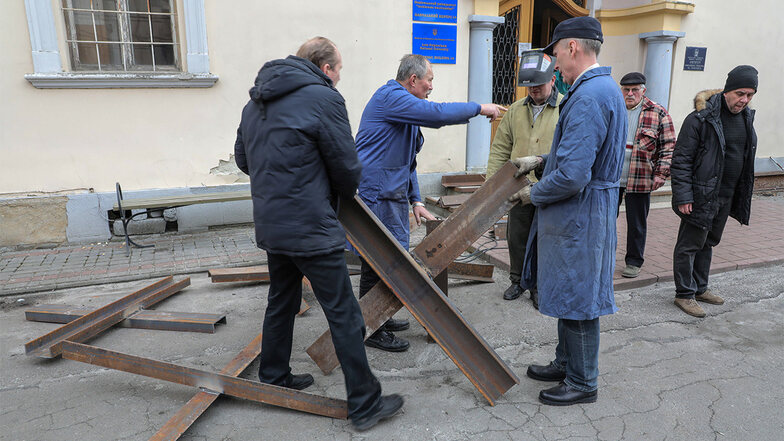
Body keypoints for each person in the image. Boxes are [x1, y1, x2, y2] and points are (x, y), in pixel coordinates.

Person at [234, 37, 403, 431]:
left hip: (273, 225)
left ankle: (275, 377)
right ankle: (364, 404)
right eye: (339, 69)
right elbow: (347, 167)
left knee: (282, 300)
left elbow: (245, 160)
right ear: (325, 68)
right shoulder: (324, 99)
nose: (340, 77)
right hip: (311, 225)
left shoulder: (254, 102)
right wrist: (327, 193)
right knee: (344, 314)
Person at [352, 53, 506, 352]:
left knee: (387, 259)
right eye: (430, 80)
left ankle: (377, 315)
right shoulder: (391, 97)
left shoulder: (405, 110)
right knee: (380, 260)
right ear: (413, 80)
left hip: (391, 194)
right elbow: (437, 113)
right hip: (376, 195)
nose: (431, 86)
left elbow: (406, 162)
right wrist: (478, 108)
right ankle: (371, 327)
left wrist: (416, 200)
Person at [510, 16, 626, 406]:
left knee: (578, 300)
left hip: (581, 213)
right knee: (570, 292)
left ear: (572, 48)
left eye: (556, 54)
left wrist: (534, 193)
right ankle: (566, 362)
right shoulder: (600, 88)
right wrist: (542, 160)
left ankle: (582, 381)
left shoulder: (589, 96)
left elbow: (575, 175)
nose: (555, 64)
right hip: (585, 211)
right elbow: (577, 158)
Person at [670, 65, 758, 318]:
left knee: (708, 242)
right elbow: (682, 160)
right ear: (728, 90)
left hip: (726, 194)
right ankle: (684, 294)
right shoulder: (700, 118)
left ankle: (700, 288)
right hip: (701, 195)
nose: (744, 100)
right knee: (689, 245)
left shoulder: (746, 118)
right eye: (740, 93)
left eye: (750, 95)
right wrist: (684, 195)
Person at [486, 50, 562, 307]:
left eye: (538, 85)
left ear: (553, 80)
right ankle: (517, 280)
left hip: (550, 187)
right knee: (516, 237)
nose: (533, 90)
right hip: (518, 186)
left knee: (545, 239)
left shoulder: (566, 108)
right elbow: (500, 149)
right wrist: (491, 186)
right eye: (529, 86)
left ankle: (539, 285)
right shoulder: (516, 110)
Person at [616, 72, 676, 278]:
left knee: (637, 222)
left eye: (635, 89)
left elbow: (668, 146)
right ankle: (603, 257)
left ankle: (633, 261)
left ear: (643, 90)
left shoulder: (658, 112)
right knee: (604, 220)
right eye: (626, 89)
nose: (630, 93)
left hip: (640, 176)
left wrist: (661, 173)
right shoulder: (613, 108)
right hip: (611, 176)